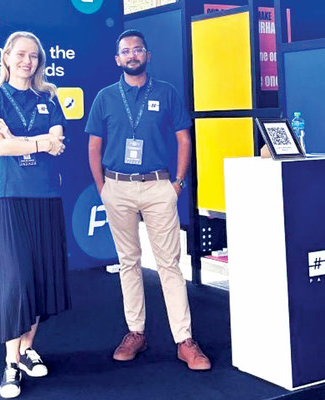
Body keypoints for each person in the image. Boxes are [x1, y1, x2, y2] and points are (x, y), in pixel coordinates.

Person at [85, 29, 211, 371]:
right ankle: (135, 333)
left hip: (158, 187)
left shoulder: (167, 93)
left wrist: (177, 183)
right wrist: (103, 188)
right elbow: (94, 146)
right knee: (128, 262)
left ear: (147, 55)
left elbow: (184, 139)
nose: (132, 55)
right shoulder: (105, 97)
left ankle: (184, 340)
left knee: (169, 264)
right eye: (126, 51)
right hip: (117, 187)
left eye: (138, 49)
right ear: (117, 59)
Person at [0, 31, 71, 399]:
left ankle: (28, 348)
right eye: (20, 54)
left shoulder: (48, 97)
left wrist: (21, 141)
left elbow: (58, 143)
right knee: (16, 280)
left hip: (46, 195)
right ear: (6, 57)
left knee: (39, 277)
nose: (27, 61)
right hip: (10, 195)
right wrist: (38, 143)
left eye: (33, 56)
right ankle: (11, 363)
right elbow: (0, 148)